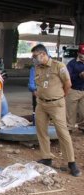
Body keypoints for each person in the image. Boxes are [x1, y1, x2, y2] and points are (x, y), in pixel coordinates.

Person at [31, 44, 80, 177]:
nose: (33, 59)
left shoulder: (59, 66)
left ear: (43, 54)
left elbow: (68, 84)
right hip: (41, 104)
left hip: (56, 104)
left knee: (63, 132)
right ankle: (46, 157)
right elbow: (39, 84)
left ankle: (71, 162)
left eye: (35, 56)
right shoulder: (37, 67)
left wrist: (60, 97)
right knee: (41, 130)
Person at [66, 43, 84, 132]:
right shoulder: (72, 63)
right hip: (73, 90)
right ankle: (69, 128)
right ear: (78, 53)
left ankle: (82, 126)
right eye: (82, 55)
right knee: (70, 111)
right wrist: (79, 75)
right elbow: (67, 77)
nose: (83, 57)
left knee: (83, 111)